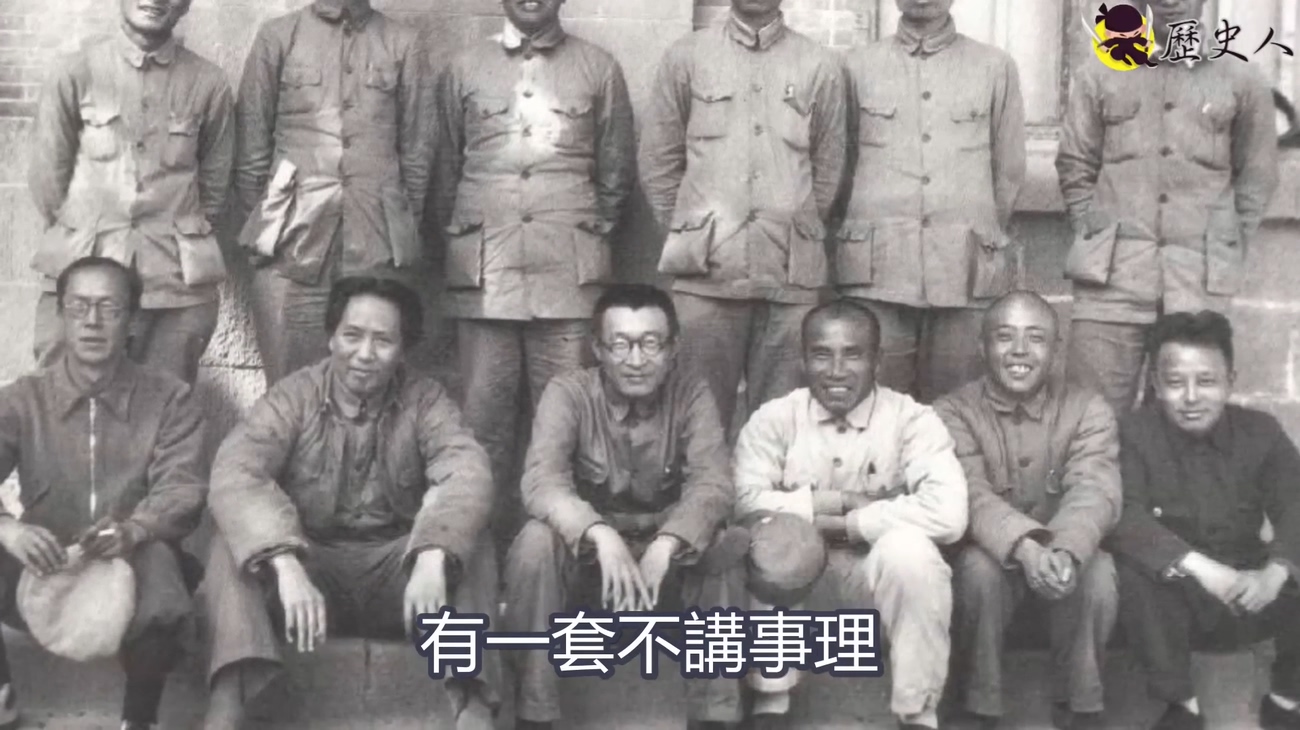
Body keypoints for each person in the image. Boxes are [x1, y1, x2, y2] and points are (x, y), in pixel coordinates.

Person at [201, 277, 498, 730]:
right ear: (331, 337)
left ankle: (472, 703)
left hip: (397, 579)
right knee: (230, 546)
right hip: (311, 574)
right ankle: (228, 703)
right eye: (352, 335)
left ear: (403, 349)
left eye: (383, 341)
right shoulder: (294, 395)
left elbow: (467, 470)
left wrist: (433, 553)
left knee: (474, 546)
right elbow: (236, 470)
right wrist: (284, 561)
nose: (364, 353)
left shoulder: (426, 399)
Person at [434, 0, 637, 555]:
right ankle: (477, 557)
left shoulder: (598, 68)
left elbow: (617, 171)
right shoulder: (463, 68)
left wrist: (580, 229)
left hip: (567, 278)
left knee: (565, 425)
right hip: (487, 276)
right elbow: (444, 169)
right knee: (481, 425)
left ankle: (557, 557)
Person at [502, 284, 741, 730]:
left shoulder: (691, 393)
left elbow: (713, 484)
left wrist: (669, 542)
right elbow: (542, 481)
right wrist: (599, 533)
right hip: (590, 563)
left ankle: (714, 716)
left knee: (723, 545)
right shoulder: (568, 392)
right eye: (620, 344)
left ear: (673, 349)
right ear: (597, 349)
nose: (636, 360)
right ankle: (534, 713)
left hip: (665, 567)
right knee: (534, 543)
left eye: (651, 343)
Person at [733, 299, 968, 730]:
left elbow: (949, 513)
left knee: (911, 551)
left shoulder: (913, 419)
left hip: (874, 592)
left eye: (853, 355)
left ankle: (917, 712)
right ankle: (772, 702)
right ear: (803, 360)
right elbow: (743, 501)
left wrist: (857, 524)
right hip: (800, 595)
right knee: (775, 543)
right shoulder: (774, 418)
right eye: (822, 355)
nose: (837, 371)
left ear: (878, 361)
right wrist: (834, 503)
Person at [0, 257, 208, 730]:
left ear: (132, 320)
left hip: (131, 564)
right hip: (45, 565)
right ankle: (2, 701)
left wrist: (135, 530)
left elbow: (182, 488)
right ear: (61, 316)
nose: (92, 321)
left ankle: (138, 720)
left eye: (109, 308)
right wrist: (8, 529)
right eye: (79, 307)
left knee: (162, 566)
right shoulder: (22, 400)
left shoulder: (169, 398)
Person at [1055, 0, 1277, 416]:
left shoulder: (1241, 78)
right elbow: (1075, 164)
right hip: (1110, 284)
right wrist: (1094, 233)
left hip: (1196, 285)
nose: (1171, 1)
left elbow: (1257, 176)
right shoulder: (1099, 71)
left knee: (1184, 424)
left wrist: (1223, 245)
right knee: (1091, 419)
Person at [639, 0, 851, 436]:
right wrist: (691, 233)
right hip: (705, 276)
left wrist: (794, 224)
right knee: (698, 419)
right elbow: (658, 162)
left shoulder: (820, 64)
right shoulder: (686, 56)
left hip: (789, 277)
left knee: (783, 423)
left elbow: (829, 169)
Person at [934, 291, 1121, 730]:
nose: (1020, 351)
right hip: (992, 555)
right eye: (1005, 337)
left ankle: (1079, 704)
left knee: (1099, 572)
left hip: (1062, 555)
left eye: (1036, 338)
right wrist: (1024, 548)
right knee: (977, 572)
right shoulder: (951, 411)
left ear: (1055, 351)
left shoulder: (1088, 408)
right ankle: (978, 704)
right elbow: (969, 492)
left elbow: (1095, 489)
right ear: (982, 347)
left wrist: (1065, 550)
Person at [1107, 310, 1300, 730]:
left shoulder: (1261, 432)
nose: (1191, 397)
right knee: (1132, 572)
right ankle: (1182, 706)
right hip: (1175, 597)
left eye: (1207, 381)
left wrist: (1276, 572)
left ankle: (1287, 698)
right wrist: (1199, 567)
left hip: (1249, 590)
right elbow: (1123, 515)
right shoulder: (1133, 433)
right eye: (1176, 383)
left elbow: (1295, 503)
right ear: (1156, 384)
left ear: (1231, 380)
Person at [28, 0, 234, 385]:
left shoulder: (208, 83)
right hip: (81, 276)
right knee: (63, 404)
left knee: (162, 409)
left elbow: (215, 188)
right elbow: (48, 181)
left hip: (173, 290)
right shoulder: (74, 73)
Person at [235, 0, 434, 385]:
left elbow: (418, 154)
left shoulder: (403, 43)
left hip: (375, 244)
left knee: (369, 384)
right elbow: (250, 148)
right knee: (290, 386)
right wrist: (268, 226)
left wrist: (397, 225)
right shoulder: (278, 37)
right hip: (291, 245)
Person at [837, 0, 1026, 403]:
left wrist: (977, 235)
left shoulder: (994, 67)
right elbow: (839, 164)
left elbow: (1008, 171)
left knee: (956, 405)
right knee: (875, 407)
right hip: (877, 273)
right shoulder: (855, 67)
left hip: (963, 272)